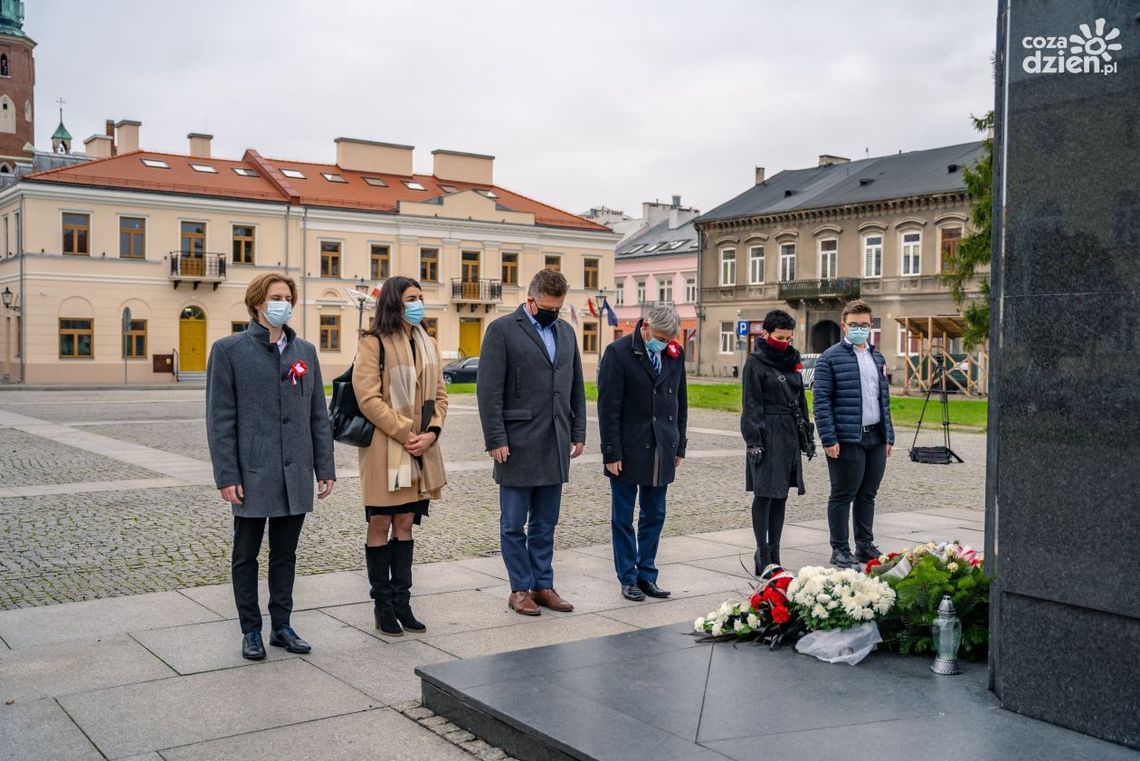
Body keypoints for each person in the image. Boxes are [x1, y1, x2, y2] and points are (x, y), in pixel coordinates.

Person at [206, 272, 336, 661]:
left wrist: (324, 468)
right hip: (253, 471)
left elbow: (318, 415)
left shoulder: (305, 352)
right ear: (258, 303)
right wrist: (227, 475)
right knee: (246, 554)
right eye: (275, 296)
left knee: (285, 554)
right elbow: (220, 419)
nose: (283, 303)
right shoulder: (229, 350)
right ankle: (251, 629)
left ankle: (282, 625)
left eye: (287, 296)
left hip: (294, 471)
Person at [477, 269, 586, 616]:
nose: (554, 313)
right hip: (517, 443)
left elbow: (576, 387)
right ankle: (519, 589)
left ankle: (543, 584)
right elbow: (488, 390)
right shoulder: (503, 330)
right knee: (513, 524)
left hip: (555, 442)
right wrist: (496, 437)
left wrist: (578, 432)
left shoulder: (566, 333)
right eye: (548, 307)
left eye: (559, 307)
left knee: (546, 523)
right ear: (531, 300)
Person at [354, 276, 447, 636]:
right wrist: (407, 433)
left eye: (420, 298)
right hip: (385, 448)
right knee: (380, 523)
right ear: (394, 302)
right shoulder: (372, 343)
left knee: (405, 524)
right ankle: (382, 605)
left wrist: (431, 434)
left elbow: (440, 396)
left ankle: (403, 601)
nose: (418, 304)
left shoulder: (428, 343)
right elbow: (368, 399)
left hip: (421, 449)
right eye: (411, 298)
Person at [597, 304, 687, 601]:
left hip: (662, 446)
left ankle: (647, 573)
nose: (663, 344)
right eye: (659, 337)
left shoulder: (675, 354)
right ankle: (628, 576)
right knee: (623, 517)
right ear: (644, 326)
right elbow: (608, 407)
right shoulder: (618, 353)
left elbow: (680, 403)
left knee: (655, 514)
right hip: (628, 447)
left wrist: (679, 444)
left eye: (668, 339)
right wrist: (611, 452)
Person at [812, 299, 895, 569]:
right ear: (844, 325)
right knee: (843, 494)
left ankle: (864, 544)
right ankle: (840, 548)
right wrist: (829, 438)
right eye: (854, 325)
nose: (860, 329)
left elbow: (883, 400)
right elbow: (821, 400)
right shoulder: (830, 358)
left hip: (875, 437)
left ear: (871, 326)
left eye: (865, 325)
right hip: (847, 438)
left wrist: (888, 436)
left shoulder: (877, 357)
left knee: (868, 494)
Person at [741, 309, 811, 575]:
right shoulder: (755, 362)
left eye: (789, 338)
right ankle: (763, 552)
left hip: (789, 433)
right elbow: (751, 404)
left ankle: (776, 553)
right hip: (766, 431)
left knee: (780, 496)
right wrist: (754, 440)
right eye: (780, 337)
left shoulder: (792, 360)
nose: (785, 343)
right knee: (764, 495)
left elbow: (800, 399)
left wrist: (806, 435)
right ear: (766, 333)